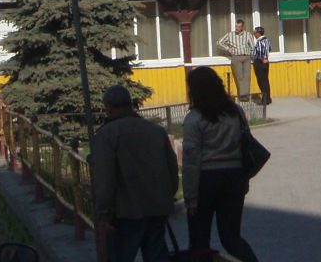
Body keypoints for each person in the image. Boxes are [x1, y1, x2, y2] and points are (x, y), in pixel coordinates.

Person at [91, 84, 179, 262]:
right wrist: (168, 199)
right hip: (156, 208)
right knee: (156, 255)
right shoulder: (157, 131)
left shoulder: (106, 135)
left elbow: (105, 179)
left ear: (108, 107)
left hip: (124, 212)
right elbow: (172, 169)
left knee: (120, 256)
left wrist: (104, 213)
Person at [183, 66, 260, 262]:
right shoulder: (236, 112)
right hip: (234, 177)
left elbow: (191, 161)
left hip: (206, 180)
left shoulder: (194, 118)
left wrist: (190, 199)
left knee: (199, 243)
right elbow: (246, 146)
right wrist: (244, 180)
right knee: (231, 237)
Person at [218, 19, 256, 101]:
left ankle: (245, 95)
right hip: (236, 57)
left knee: (247, 76)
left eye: (239, 26)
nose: (237, 28)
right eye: (236, 26)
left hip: (246, 57)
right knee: (239, 76)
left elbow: (252, 46)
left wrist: (252, 56)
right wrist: (228, 48)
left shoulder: (248, 35)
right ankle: (243, 96)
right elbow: (219, 42)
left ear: (242, 27)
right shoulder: (230, 35)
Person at [252, 26, 272, 106]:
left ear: (258, 33)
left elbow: (260, 51)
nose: (254, 34)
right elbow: (269, 49)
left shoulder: (259, 41)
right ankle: (268, 98)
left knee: (261, 81)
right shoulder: (267, 40)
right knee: (266, 81)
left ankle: (264, 99)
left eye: (255, 32)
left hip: (260, 62)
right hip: (266, 63)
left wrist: (262, 58)